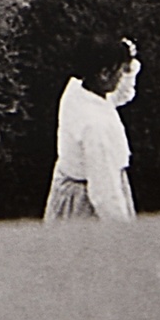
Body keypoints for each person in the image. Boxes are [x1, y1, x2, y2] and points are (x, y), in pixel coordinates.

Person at [44, 35, 140, 222]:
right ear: (104, 74)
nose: (121, 76)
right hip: (87, 207)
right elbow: (105, 194)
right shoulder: (96, 126)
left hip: (69, 195)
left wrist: (129, 66)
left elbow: (122, 95)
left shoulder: (76, 91)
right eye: (119, 71)